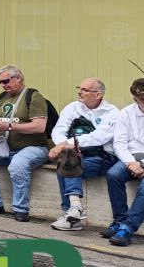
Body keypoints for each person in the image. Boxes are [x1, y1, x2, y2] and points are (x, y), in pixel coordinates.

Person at [0, 65, 51, 222]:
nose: (3, 85)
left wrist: (8, 126)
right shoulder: (1, 98)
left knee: (18, 164)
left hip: (33, 147)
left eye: (6, 81)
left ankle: (21, 209)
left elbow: (39, 126)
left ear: (18, 78)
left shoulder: (34, 96)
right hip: (4, 145)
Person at [49, 78, 120, 232]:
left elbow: (99, 137)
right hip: (75, 153)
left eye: (85, 90)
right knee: (67, 161)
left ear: (98, 94)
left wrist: (66, 145)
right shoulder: (73, 107)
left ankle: (72, 214)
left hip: (103, 156)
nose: (79, 92)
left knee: (69, 164)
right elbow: (58, 130)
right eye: (79, 88)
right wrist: (66, 147)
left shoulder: (112, 112)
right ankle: (74, 211)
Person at [102, 77, 144, 246]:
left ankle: (127, 228)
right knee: (113, 174)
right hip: (134, 158)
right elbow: (119, 144)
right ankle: (119, 221)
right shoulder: (126, 113)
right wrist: (131, 163)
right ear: (136, 100)